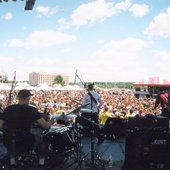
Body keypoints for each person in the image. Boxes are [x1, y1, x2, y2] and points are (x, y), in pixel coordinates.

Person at [0, 89, 51, 169]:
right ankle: (42, 163)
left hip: (8, 140)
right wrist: (50, 122)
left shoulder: (8, 109)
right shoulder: (32, 110)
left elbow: (0, 126)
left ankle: (12, 163)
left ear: (18, 98)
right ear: (28, 98)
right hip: (25, 141)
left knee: (11, 138)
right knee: (44, 139)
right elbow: (45, 126)